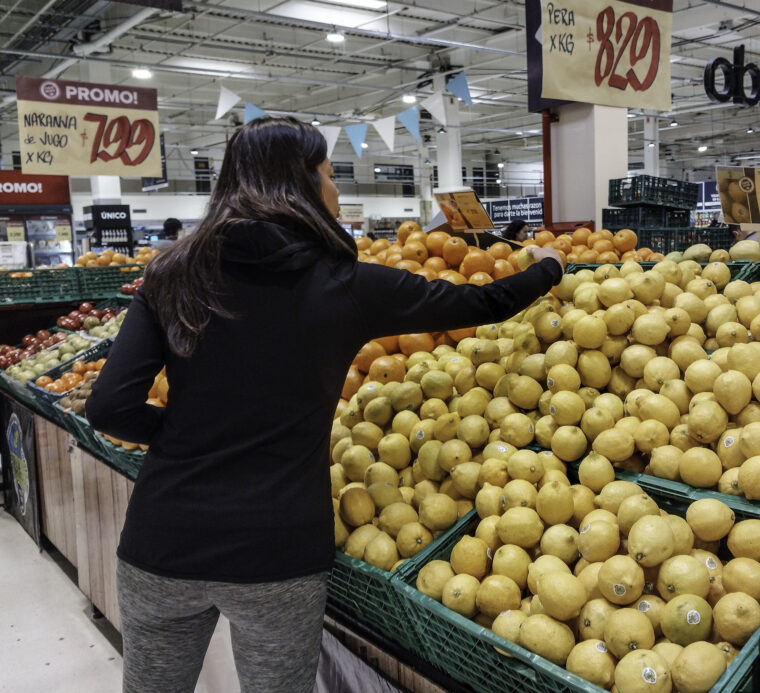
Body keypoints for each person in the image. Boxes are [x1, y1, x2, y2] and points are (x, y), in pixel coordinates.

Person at [84, 116, 563, 693]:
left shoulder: (171, 275)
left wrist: (182, 433)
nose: (336, 191)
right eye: (329, 176)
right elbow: (487, 298)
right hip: (278, 548)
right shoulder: (346, 285)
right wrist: (548, 265)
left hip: (163, 540)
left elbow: (109, 406)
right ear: (303, 187)